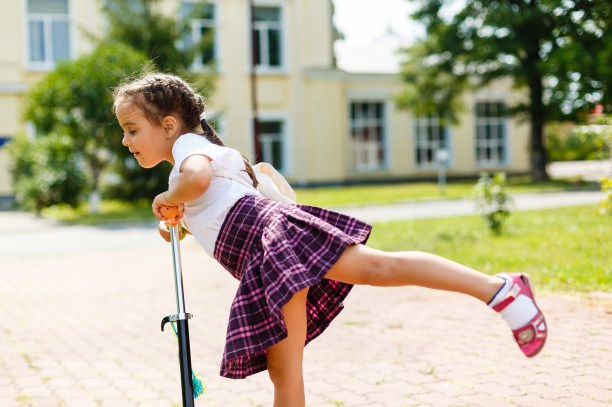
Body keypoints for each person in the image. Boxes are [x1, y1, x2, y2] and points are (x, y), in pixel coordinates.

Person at [113, 73, 547, 407]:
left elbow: (197, 180)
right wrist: (172, 218)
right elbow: (192, 212)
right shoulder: (186, 171)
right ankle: (499, 290)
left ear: (169, 125)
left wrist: (169, 198)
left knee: (381, 267)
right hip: (265, 263)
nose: (125, 139)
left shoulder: (192, 150)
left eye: (132, 129)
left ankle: (500, 290)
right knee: (285, 372)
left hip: (275, 240)